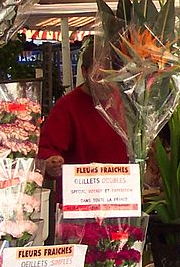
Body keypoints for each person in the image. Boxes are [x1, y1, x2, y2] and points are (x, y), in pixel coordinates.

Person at [38, 36, 129, 179]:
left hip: (122, 190)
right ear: (84, 72)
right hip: (82, 192)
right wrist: (51, 162)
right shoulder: (67, 107)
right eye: (99, 76)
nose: (105, 82)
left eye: (111, 76)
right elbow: (45, 150)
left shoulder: (128, 104)